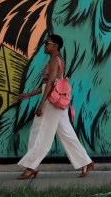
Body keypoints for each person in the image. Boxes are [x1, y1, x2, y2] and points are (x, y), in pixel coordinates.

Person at [16, 34, 95, 179]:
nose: (44, 46)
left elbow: (51, 83)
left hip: (51, 103)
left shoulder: (54, 60)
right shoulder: (58, 59)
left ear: (55, 45)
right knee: (67, 134)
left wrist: (41, 105)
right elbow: (51, 85)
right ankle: (85, 162)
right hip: (55, 101)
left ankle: (31, 166)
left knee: (39, 133)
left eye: (47, 43)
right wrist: (30, 94)